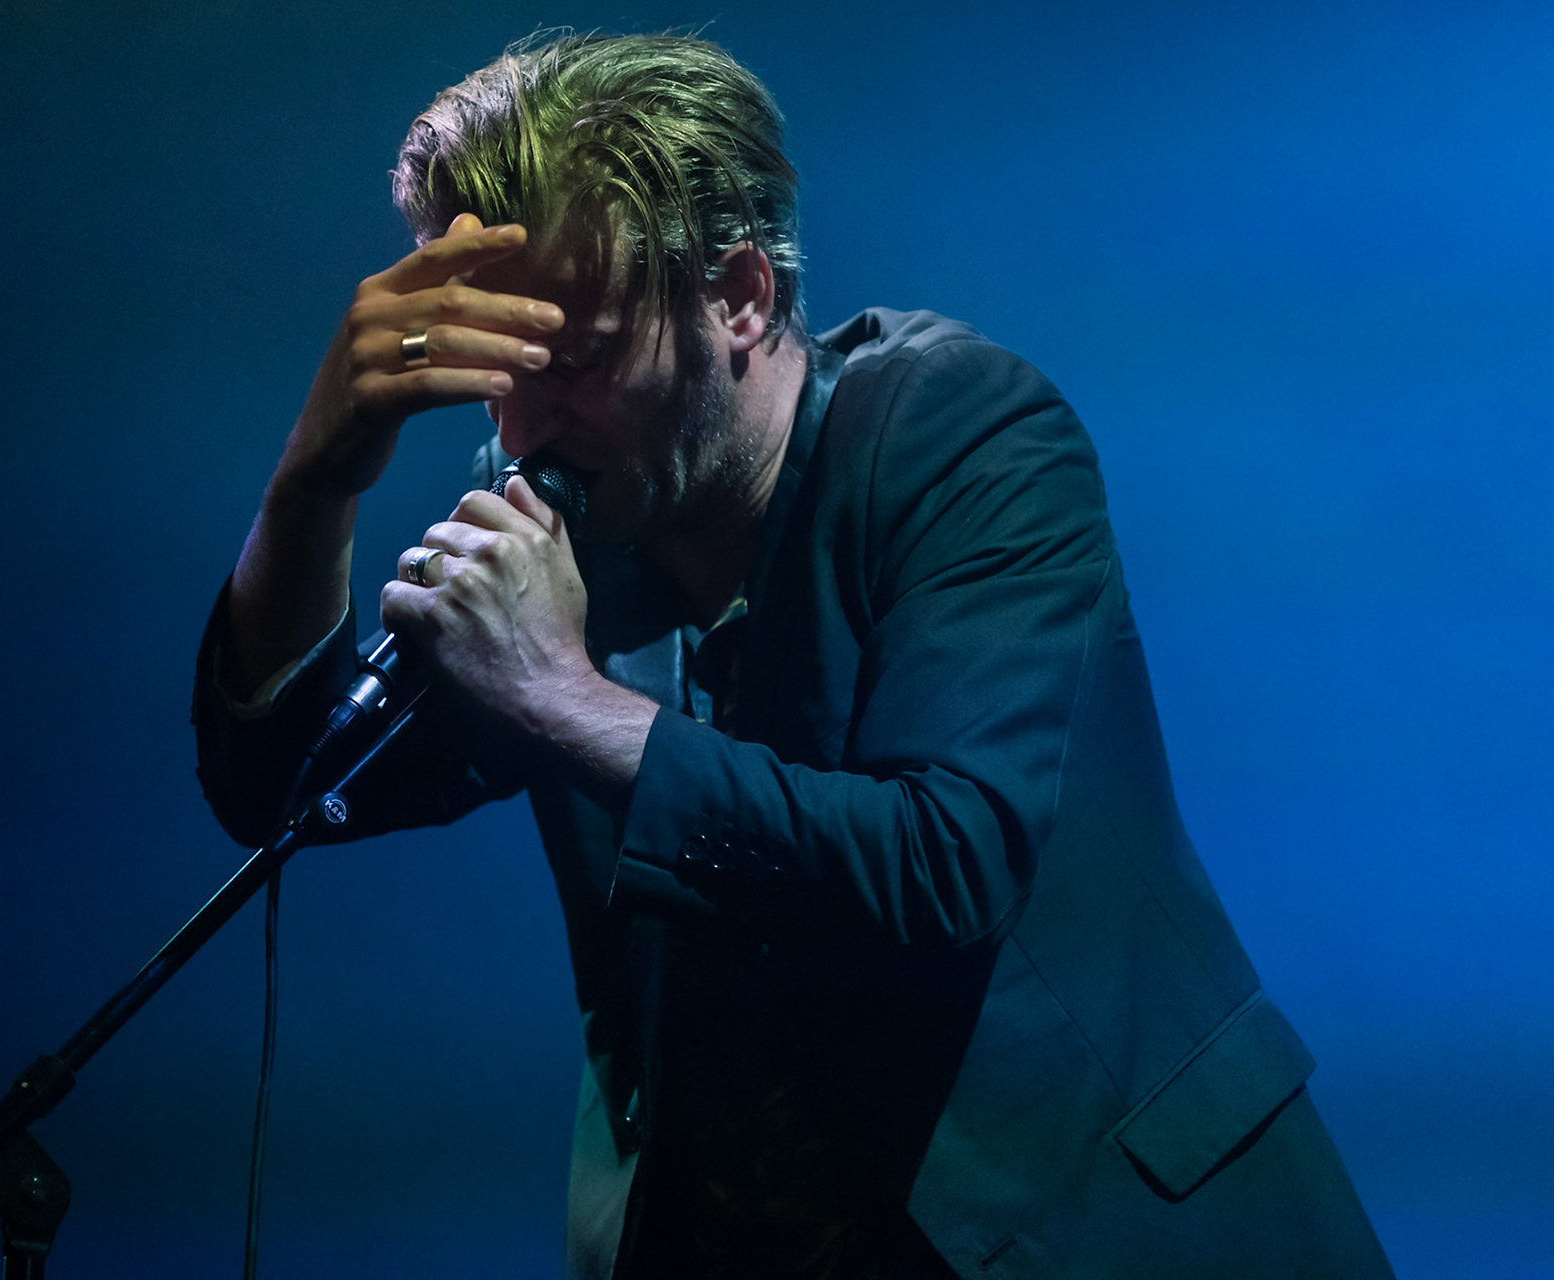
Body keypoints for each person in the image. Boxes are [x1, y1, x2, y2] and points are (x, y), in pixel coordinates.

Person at [193, 31, 1392, 1280]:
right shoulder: (577, 528)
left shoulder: (959, 431)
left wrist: (557, 693)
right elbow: (279, 779)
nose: (524, 426)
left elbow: (945, 863)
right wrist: (317, 473)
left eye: (583, 361)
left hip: (1109, 1234)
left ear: (740, 297)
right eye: (501, 371)